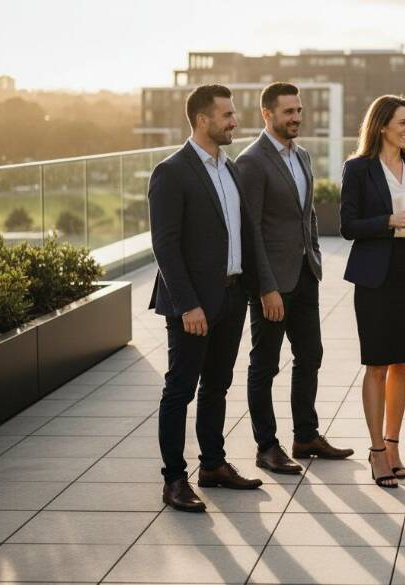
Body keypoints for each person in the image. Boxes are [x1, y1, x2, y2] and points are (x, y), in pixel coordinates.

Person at [148, 84, 270, 512]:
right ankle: (174, 479)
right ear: (202, 120)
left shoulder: (231, 168)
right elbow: (165, 245)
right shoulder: (172, 171)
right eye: (227, 115)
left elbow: (245, 235)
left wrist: (262, 287)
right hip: (193, 305)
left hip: (232, 297)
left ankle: (213, 465)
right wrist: (187, 305)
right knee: (180, 389)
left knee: (217, 385)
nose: (235, 121)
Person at [237, 82, 353, 474]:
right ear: (267, 114)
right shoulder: (251, 162)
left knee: (310, 355)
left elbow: (308, 214)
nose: (296, 118)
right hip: (272, 283)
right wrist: (266, 287)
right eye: (288, 112)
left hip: (305, 275)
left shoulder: (301, 155)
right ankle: (266, 446)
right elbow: (249, 229)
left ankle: (305, 435)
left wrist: (315, 257)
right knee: (264, 365)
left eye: (299, 110)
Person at [339, 95, 405, 488]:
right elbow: (348, 225)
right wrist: (386, 221)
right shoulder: (358, 168)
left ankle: (393, 444)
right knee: (376, 364)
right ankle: (377, 450)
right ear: (381, 126)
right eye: (401, 122)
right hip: (375, 274)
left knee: (403, 364)